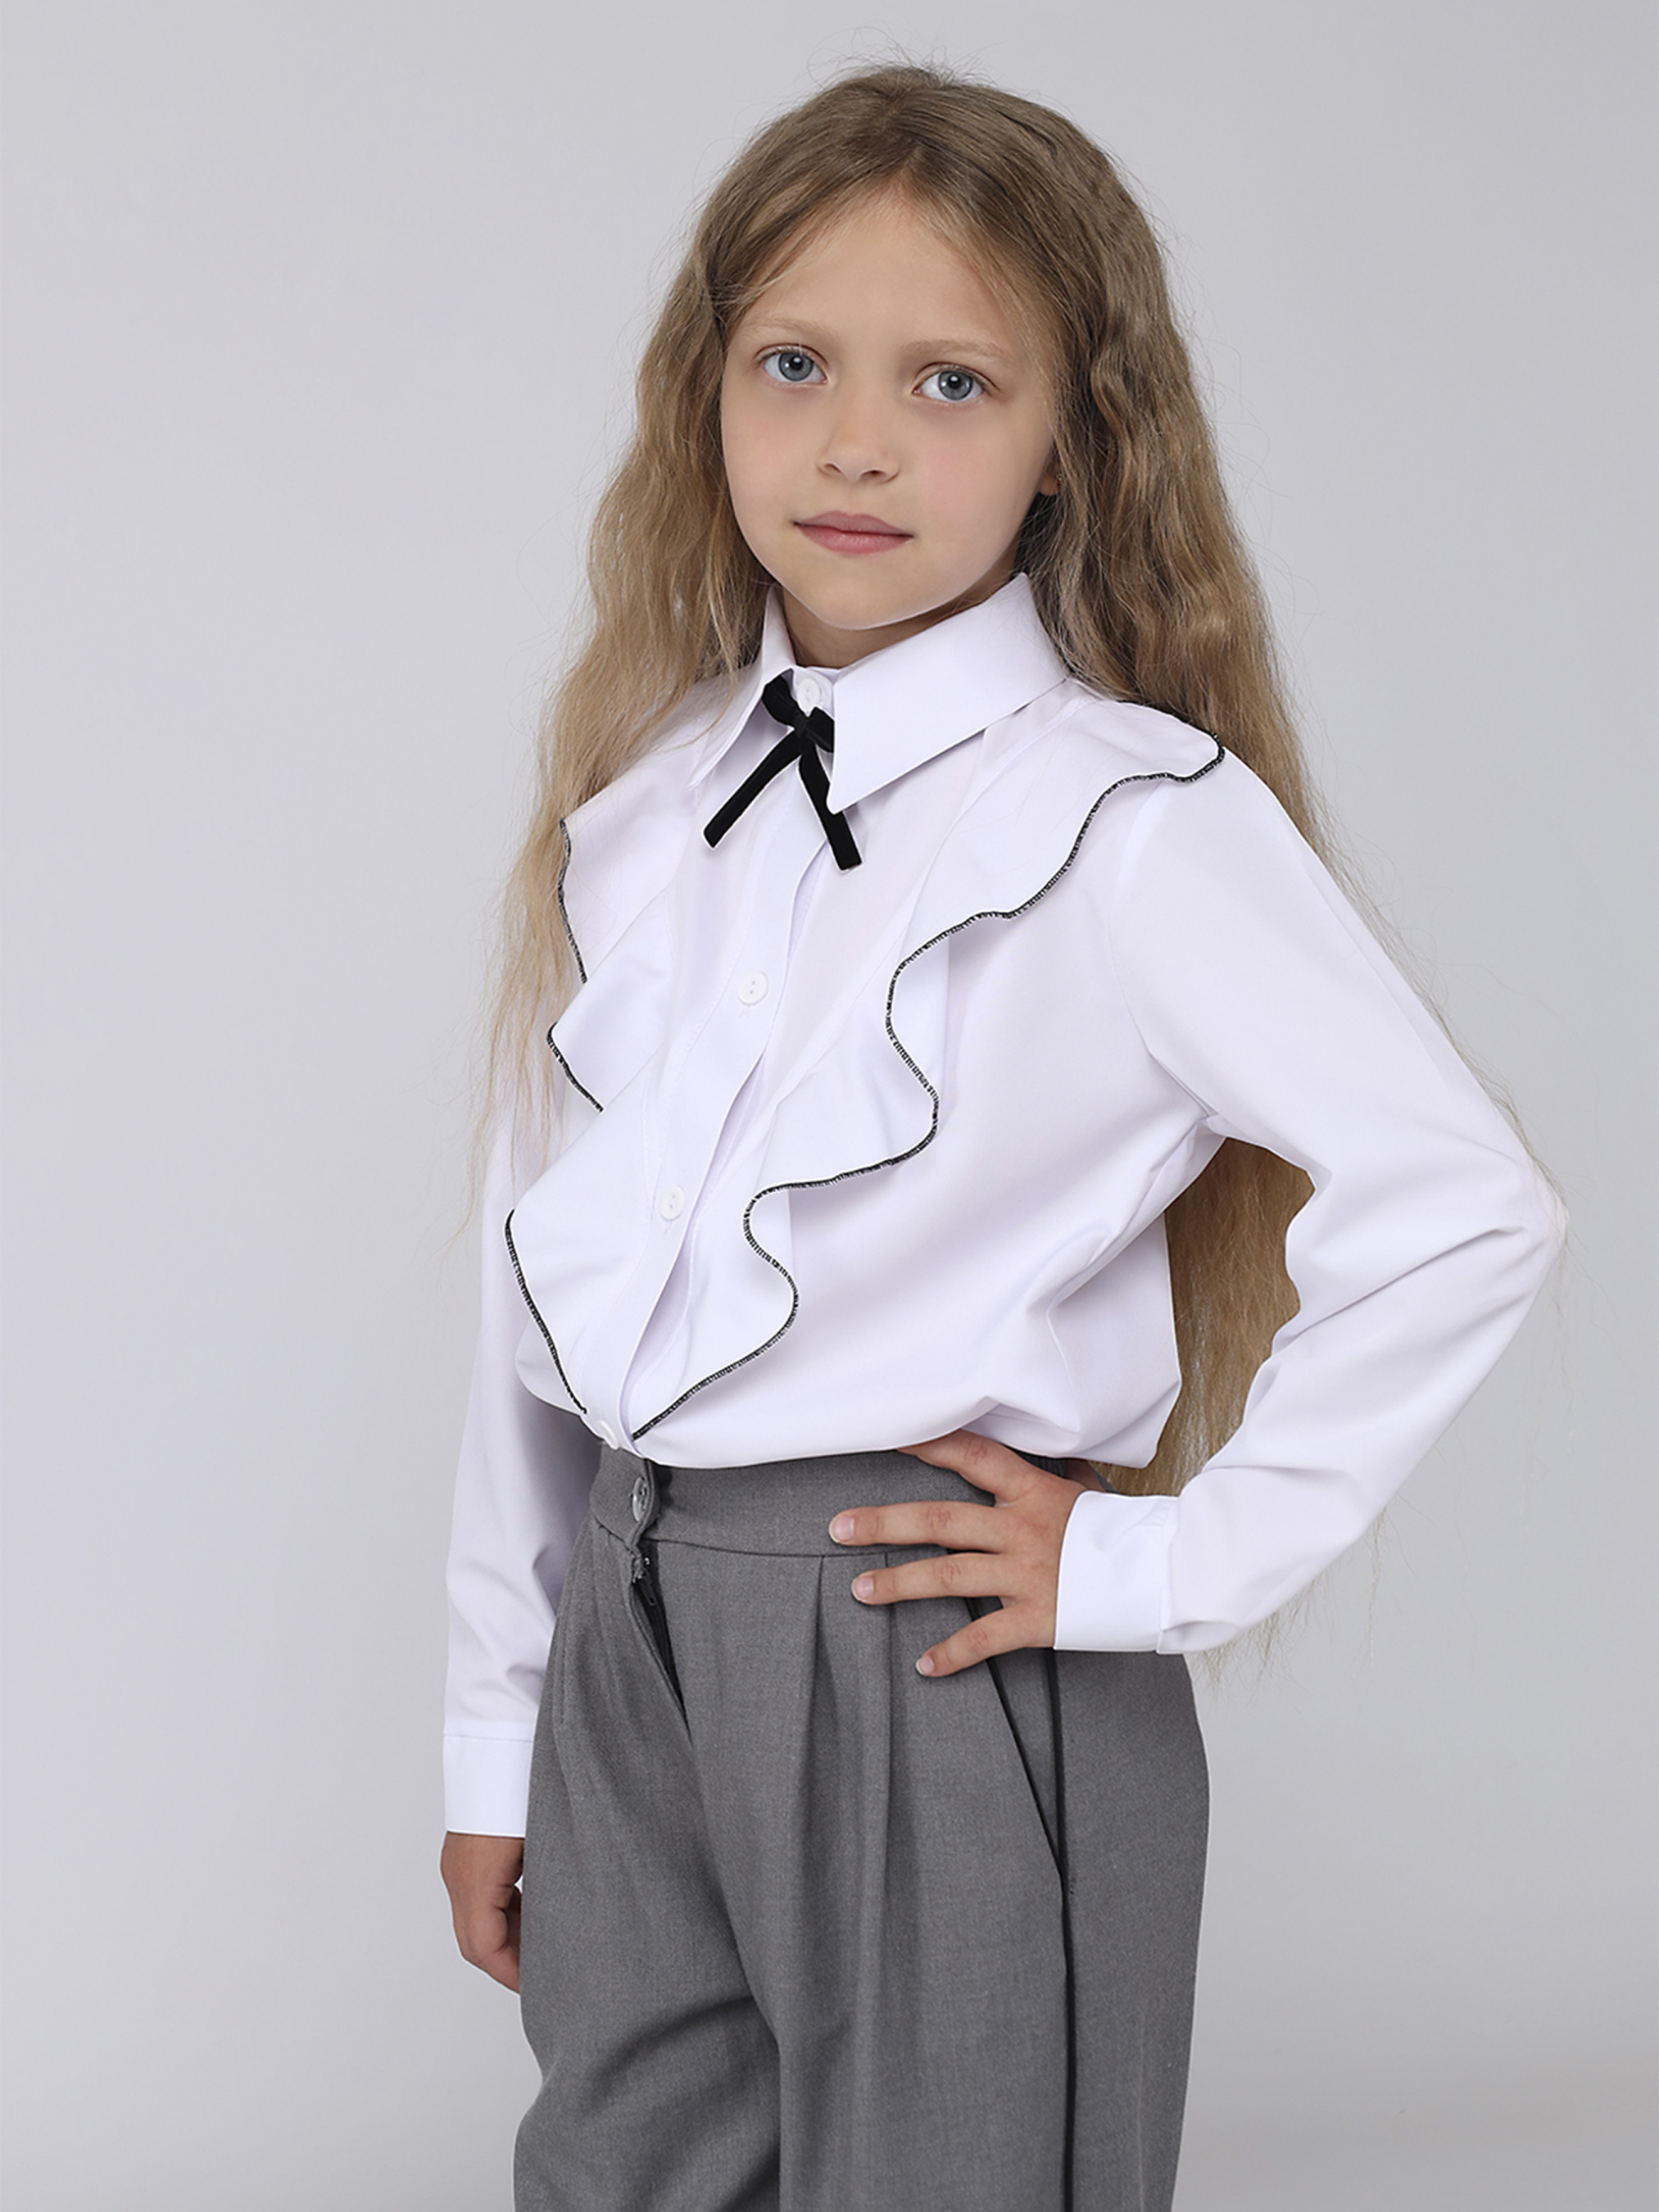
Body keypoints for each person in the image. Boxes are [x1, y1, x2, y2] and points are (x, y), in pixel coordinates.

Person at [437, 60, 1566, 2212]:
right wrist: (498, 1727)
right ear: (705, 397)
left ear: (1072, 438)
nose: (856, 441)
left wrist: (1157, 1563)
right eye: (794, 364)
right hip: (635, 1626)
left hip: (925, 1637)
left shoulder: (1127, 820)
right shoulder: (647, 810)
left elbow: (1464, 1206)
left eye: (950, 381)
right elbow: (532, 1306)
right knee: (622, 2174)